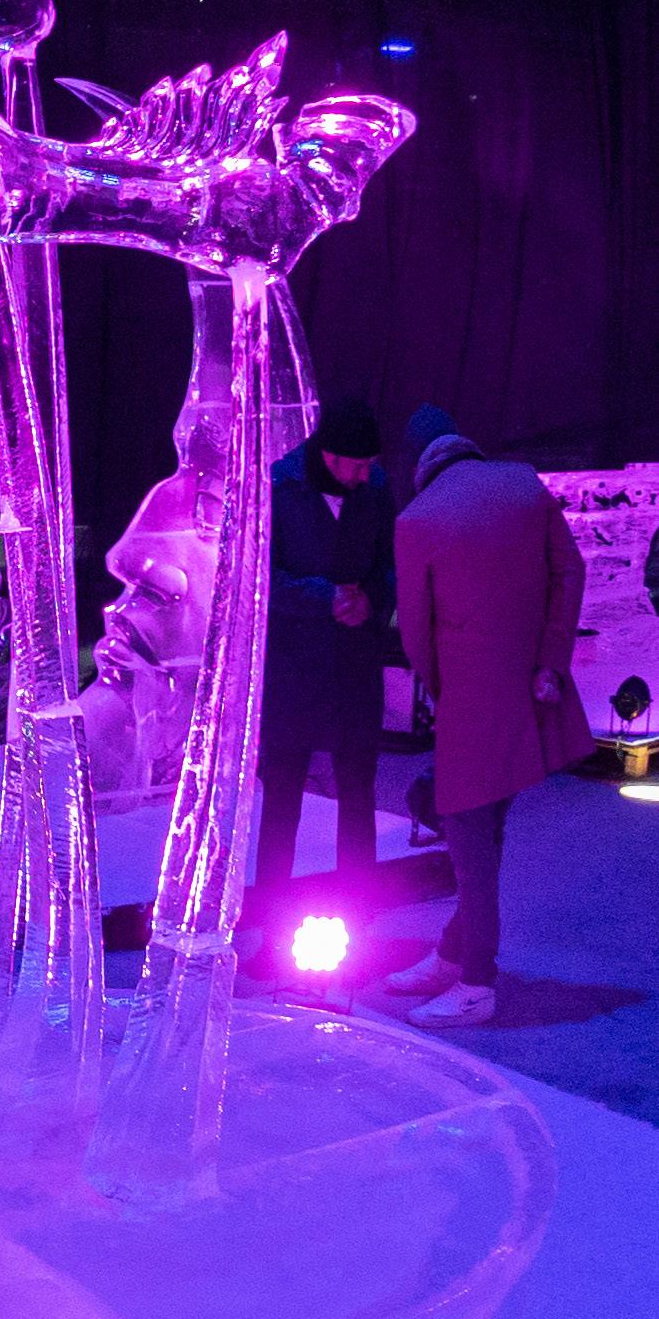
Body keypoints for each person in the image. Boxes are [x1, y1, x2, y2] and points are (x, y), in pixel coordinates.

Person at [388, 427, 592, 1027]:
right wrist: (550, 660)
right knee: (487, 829)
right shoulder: (524, 484)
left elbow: (415, 633)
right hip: (533, 690)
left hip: (470, 703)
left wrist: (444, 693)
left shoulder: (417, 518)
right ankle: (455, 953)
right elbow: (570, 572)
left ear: (422, 467)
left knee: (469, 840)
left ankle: (476, 981)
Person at [247, 396, 394, 968]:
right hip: (294, 668)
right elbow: (258, 576)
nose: (365, 474)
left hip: (355, 666)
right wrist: (322, 598)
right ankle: (272, 934)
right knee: (282, 800)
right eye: (357, 464)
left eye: (370, 464)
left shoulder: (376, 488)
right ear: (328, 455)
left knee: (358, 795)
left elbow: (390, 563)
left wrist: (372, 601)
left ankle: (360, 927)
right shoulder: (278, 489)